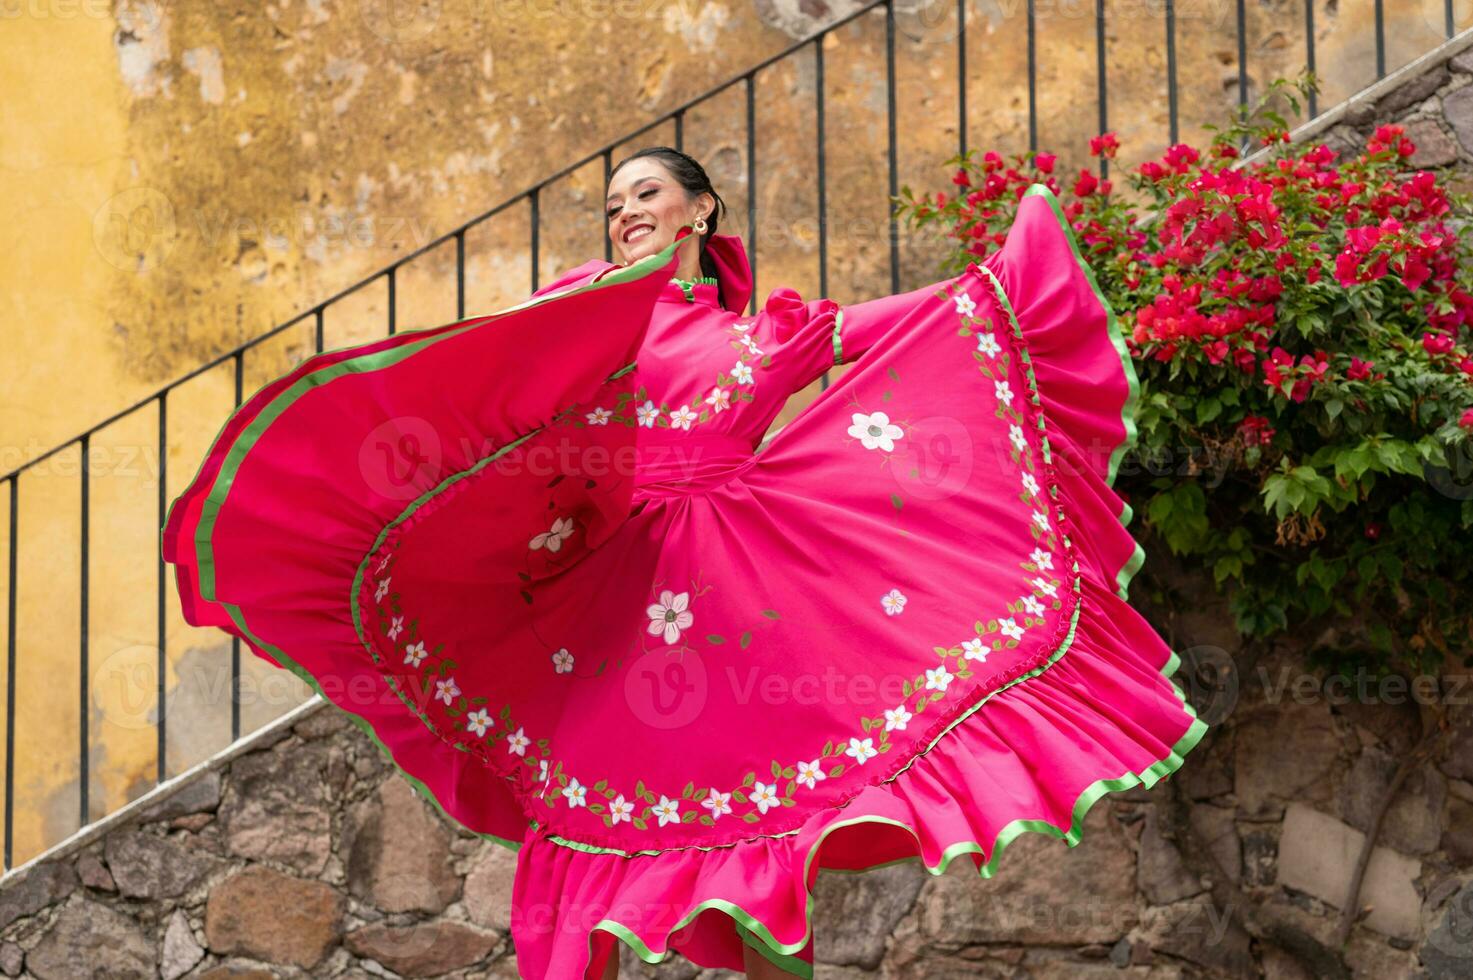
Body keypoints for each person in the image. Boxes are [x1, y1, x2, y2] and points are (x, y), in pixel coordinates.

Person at [161, 145, 1207, 979]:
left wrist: (993, 291)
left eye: (647, 193)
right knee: (584, 817)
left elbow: (866, 333)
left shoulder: (757, 333)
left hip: (742, 590)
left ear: (701, 211)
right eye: (613, 201)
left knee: (765, 819)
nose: (625, 212)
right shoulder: (585, 318)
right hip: (620, 593)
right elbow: (505, 394)